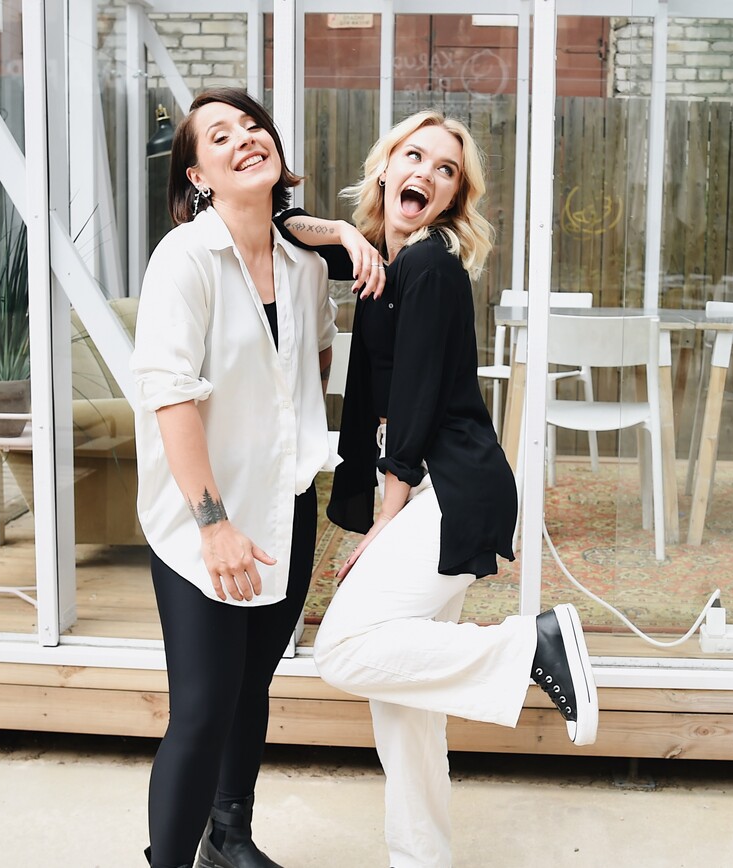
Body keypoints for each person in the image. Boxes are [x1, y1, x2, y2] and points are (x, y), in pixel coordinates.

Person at [302, 111, 600, 868]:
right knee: (406, 709)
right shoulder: (383, 260)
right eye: (415, 156)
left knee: (344, 647)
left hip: (447, 488)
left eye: (446, 171)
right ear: (385, 168)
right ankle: (421, 859)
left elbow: (416, 401)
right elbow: (280, 225)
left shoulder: (429, 266)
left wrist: (383, 520)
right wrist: (345, 236)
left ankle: (528, 646)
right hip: (442, 486)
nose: (428, 174)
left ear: (452, 198)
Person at [129, 87, 383, 868]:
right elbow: (170, 397)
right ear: (197, 175)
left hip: (283, 509)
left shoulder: (303, 265)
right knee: (203, 708)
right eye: (219, 136)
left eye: (252, 125)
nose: (244, 138)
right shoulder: (184, 260)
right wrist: (214, 526)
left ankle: (228, 838)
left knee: (251, 687)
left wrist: (339, 230)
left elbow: (315, 355)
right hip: (201, 524)